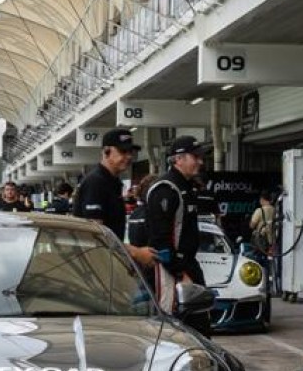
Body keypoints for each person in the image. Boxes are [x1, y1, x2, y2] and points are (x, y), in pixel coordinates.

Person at [142, 136, 208, 317]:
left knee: (200, 326)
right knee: (174, 328)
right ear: (179, 159)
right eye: (195, 157)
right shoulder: (165, 189)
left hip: (189, 265)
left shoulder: (187, 186)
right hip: (170, 272)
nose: (200, 162)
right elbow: (160, 241)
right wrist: (180, 274)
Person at [72, 127, 139, 240]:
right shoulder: (96, 182)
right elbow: (95, 234)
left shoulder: (113, 182)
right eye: (122, 151)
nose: (129, 156)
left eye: (130, 152)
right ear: (106, 152)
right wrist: (135, 252)